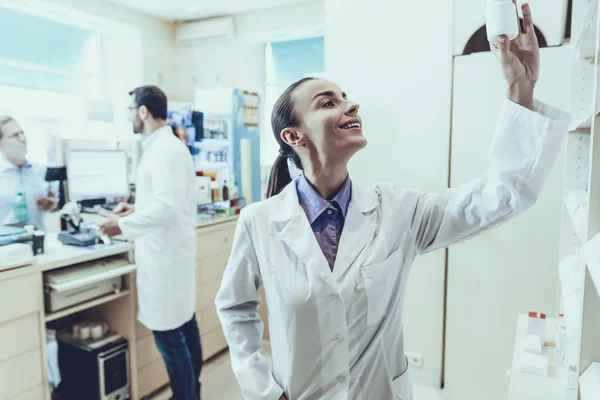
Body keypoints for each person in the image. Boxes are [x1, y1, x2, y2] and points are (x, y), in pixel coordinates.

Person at [215, 4, 571, 400]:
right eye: (327, 102)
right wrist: (263, 389)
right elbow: (235, 308)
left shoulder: (399, 211)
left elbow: (499, 197)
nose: (351, 105)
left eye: (346, 96)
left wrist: (520, 90)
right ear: (294, 137)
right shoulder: (259, 221)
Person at [98, 86, 202, 400]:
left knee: (170, 336)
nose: (130, 116)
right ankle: (191, 393)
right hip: (170, 253)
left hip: (164, 257)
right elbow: (163, 202)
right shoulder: (168, 146)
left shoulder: (164, 150)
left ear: (143, 112)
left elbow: (166, 207)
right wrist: (136, 210)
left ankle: (187, 397)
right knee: (184, 326)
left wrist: (122, 224)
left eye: (131, 109)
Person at [0, 116, 58, 231]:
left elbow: (55, 204)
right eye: (14, 135)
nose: (22, 139)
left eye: (22, 133)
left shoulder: (40, 171)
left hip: (37, 242)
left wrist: (52, 206)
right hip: (4, 245)